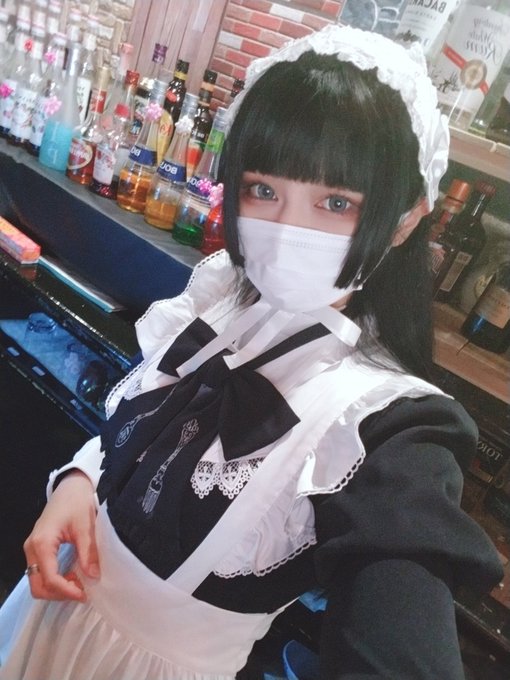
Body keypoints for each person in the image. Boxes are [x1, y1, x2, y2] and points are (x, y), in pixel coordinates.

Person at [0, 23, 503, 680]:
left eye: (334, 202)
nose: (288, 230)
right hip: (43, 612)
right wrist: (78, 483)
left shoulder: (389, 426)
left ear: (407, 217)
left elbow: (401, 633)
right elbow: (142, 428)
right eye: (263, 191)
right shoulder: (224, 296)